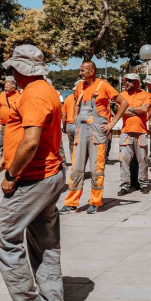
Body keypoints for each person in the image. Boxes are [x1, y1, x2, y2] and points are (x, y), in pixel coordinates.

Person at [0, 45, 67, 301]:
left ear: (20, 69)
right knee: (44, 243)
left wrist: (11, 173)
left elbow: (31, 141)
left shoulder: (33, 94)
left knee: (3, 237)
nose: (9, 73)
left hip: (34, 178)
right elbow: (28, 138)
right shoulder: (44, 90)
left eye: (11, 68)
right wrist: (2, 161)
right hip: (48, 174)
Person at [61, 61, 118, 214]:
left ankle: (95, 201)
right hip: (81, 131)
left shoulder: (103, 86)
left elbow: (123, 103)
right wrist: (74, 121)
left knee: (96, 169)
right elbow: (77, 104)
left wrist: (112, 124)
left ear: (91, 71)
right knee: (76, 169)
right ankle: (71, 202)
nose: (80, 73)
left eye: (82, 71)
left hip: (97, 132)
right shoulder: (80, 86)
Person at [116, 73, 151, 196]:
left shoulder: (145, 94)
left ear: (137, 82)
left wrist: (130, 109)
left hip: (141, 132)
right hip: (126, 131)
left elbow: (145, 110)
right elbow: (121, 112)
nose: (127, 83)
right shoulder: (122, 95)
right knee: (124, 160)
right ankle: (125, 185)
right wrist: (137, 110)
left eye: (130, 81)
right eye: (126, 81)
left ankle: (143, 183)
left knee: (142, 159)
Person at [0, 77, 19, 164]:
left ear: (13, 87)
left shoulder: (19, 96)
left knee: (13, 144)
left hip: (14, 125)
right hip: (2, 124)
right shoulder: (2, 95)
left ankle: (11, 162)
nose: (5, 89)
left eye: (7, 87)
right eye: (5, 87)